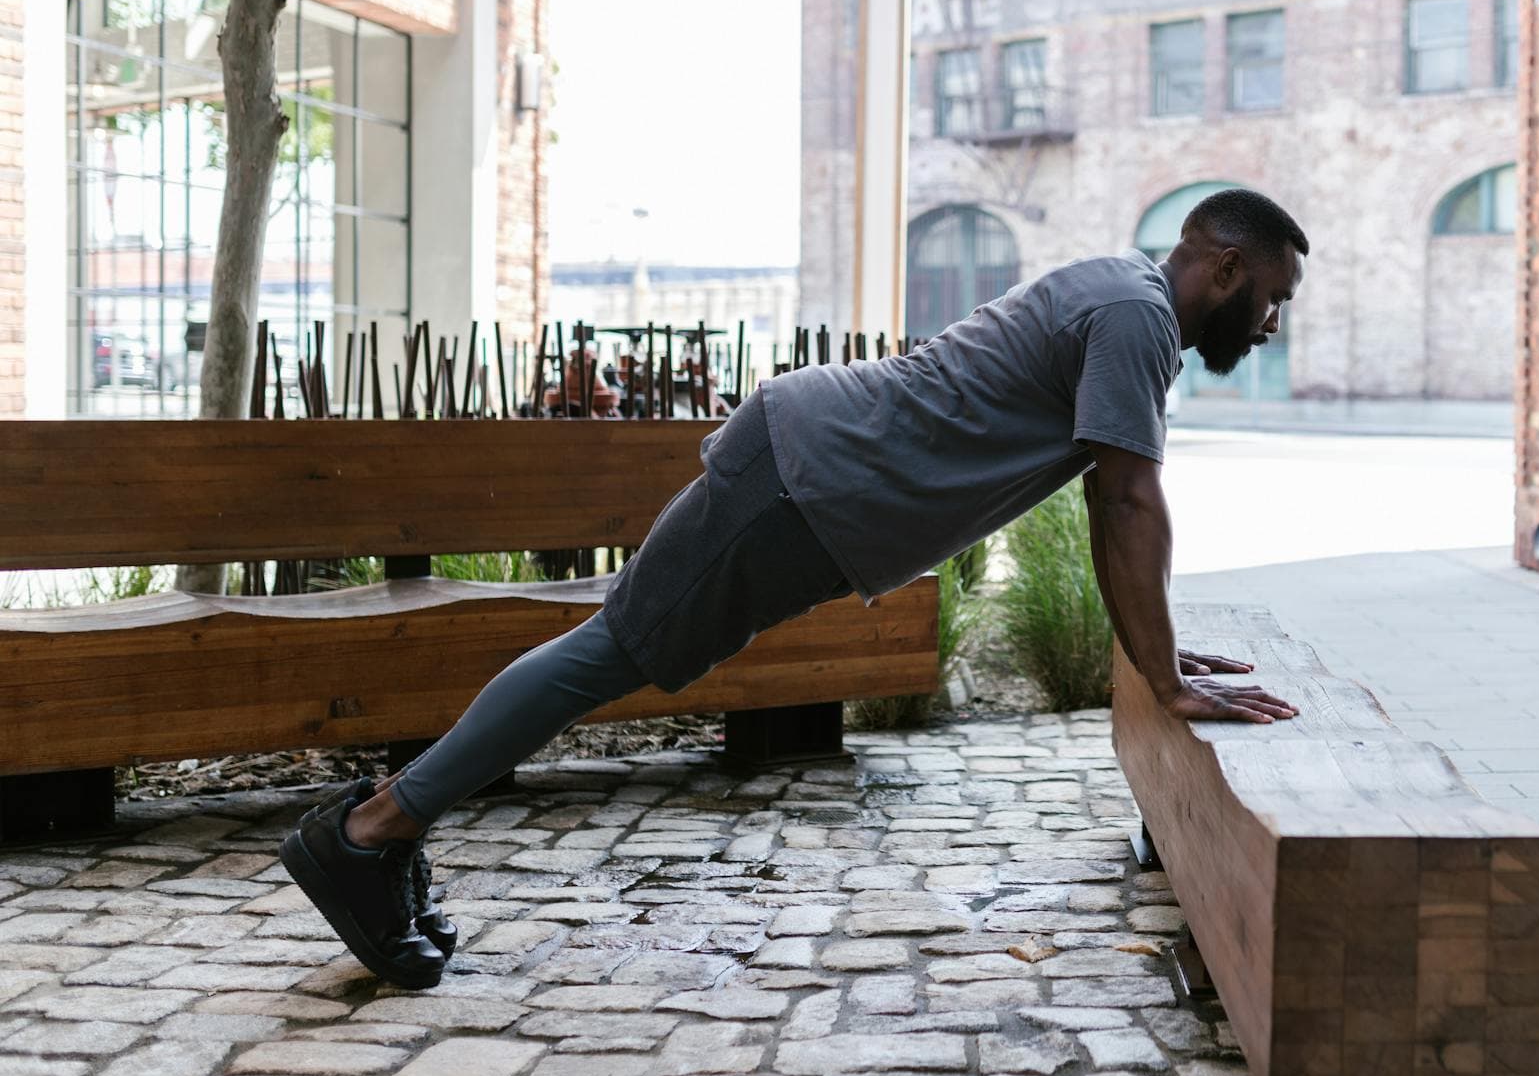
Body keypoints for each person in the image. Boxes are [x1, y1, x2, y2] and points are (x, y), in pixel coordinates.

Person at [280, 187, 1310, 989]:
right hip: (805, 480)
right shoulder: (1132, 317)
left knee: (608, 649)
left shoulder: (1125, 298)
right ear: (1223, 266)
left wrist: (1158, 653)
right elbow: (1125, 500)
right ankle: (370, 831)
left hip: (812, 478)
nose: (1270, 321)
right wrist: (1163, 676)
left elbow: (1115, 497)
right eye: (1271, 296)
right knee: (607, 652)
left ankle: (382, 825)